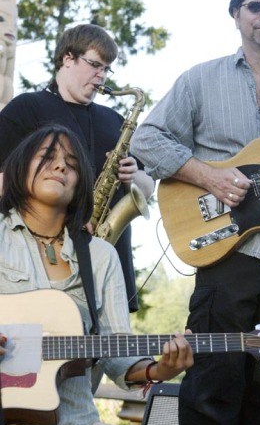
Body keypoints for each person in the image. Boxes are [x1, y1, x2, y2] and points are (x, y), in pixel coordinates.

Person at [131, 0, 260, 425]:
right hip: (224, 253)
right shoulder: (200, 79)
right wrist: (209, 178)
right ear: (237, 15)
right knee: (212, 388)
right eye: (255, 6)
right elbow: (147, 140)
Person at [0, 124, 193, 425]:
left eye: (72, 164)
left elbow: (117, 354)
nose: (61, 165)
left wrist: (161, 369)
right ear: (20, 167)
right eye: (47, 156)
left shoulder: (101, 256)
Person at [0, 23, 154, 312]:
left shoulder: (114, 119)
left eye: (107, 69)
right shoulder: (26, 108)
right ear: (67, 58)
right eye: (95, 64)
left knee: (112, 352)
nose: (102, 75)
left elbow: (146, 188)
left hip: (106, 257)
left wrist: (135, 176)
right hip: (42, 262)